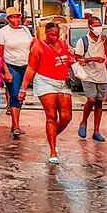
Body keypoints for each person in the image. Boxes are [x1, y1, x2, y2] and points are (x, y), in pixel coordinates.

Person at [20, 22, 75, 164]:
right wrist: (23, 88)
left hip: (62, 82)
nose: (54, 38)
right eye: (51, 35)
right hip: (45, 81)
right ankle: (52, 150)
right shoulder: (38, 47)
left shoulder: (63, 44)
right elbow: (31, 68)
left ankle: (52, 135)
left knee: (66, 116)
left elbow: (69, 60)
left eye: (57, 35)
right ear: (46, 33)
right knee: (51, 116)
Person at [0, 7, 34, 138]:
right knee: (15, 94)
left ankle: (15, 123)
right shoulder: (2, 33)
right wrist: (5, 71)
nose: (16, 19)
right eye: (13, 17)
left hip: (25, 66)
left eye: (17, 16)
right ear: (8, 19)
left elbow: (32, 45)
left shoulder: (25, 30)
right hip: (11, 65)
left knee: (21, 95)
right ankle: (16, 125)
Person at [75, 16, 107, 142]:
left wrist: (105, 44)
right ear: (90, 27)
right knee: (91, 99)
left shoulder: (104, 40)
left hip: (102, 75)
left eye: (99, 26)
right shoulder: (83, 41)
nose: (98, 28)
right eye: (96, 26)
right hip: (88, 75)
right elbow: (78, 58)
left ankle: (96, 131)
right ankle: (83, 122)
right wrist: (93, 59)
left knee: (99, 102)